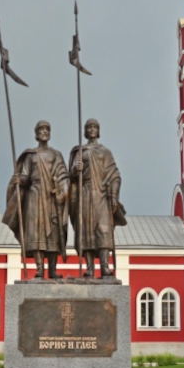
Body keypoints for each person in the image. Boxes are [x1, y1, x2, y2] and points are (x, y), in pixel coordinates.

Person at [3, 120, 69, 280]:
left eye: (47, 129)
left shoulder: (56, 155)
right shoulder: (31, 155)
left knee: (53, 233)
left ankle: (52, 270)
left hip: (51, 196)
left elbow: (63, 175)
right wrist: (19, 180)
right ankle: (39, 268)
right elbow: (26, 176)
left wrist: (64, 192)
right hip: (35, 195)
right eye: (41, 129)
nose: (44, 131)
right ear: (36, 134)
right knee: (36, 232)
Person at [69, 118, 126, 278]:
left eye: (95, 127)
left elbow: (115, 174)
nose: (92, 129)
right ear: (85, 131)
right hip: (85, 193)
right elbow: (70, 177)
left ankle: (104, 267)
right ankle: (89, 268)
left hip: (102, 195)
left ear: (98, 131)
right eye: (89, 127)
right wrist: (75, 170)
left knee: (103, 229)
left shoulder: (105, 152)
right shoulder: (80, 151)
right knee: (86, 230)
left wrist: (113, 195)